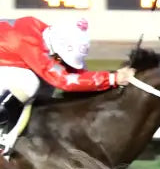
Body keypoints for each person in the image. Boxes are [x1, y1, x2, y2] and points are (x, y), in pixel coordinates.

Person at [0, 16, 136, 156]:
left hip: (7, 62)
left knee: (44, 90)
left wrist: (111, 79)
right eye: (60, 58)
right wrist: (113, 78)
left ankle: (13, 141)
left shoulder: (51, 38)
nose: (60, 62)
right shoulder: (29, 40)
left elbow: (79, 75)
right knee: (29, 82)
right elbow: (64, 81)